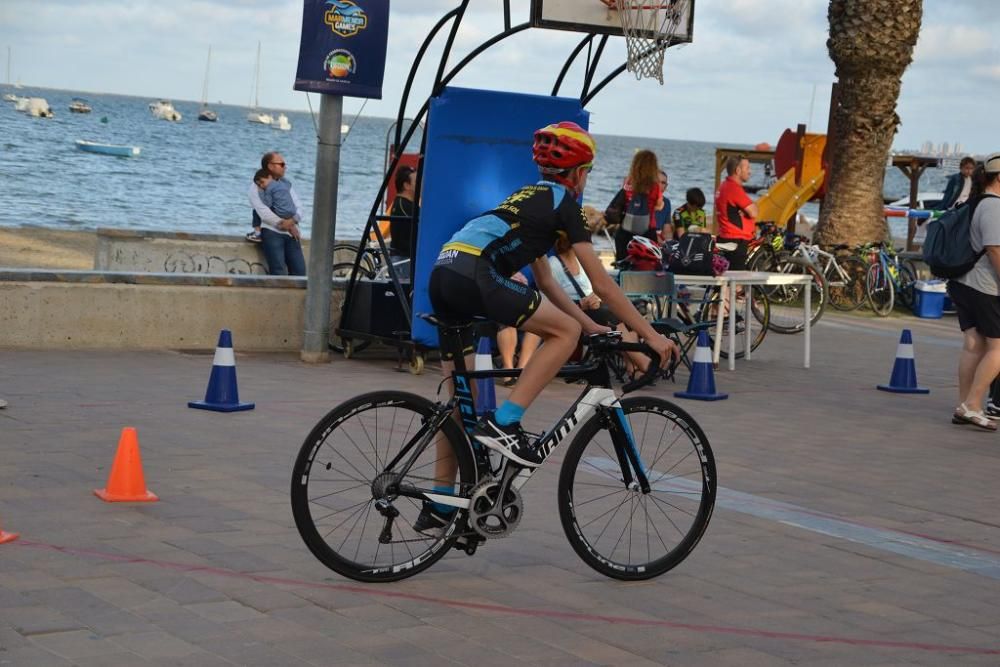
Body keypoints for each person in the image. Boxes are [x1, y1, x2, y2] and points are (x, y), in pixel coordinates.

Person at [416, 121, 678, 533]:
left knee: (456, 405)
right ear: (578, 173)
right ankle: (505, 422)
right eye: (588, 172)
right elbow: (604, 284)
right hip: (476, 273)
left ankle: (442, 505)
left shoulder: (528, 198)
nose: (586, 180)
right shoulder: (565, 205)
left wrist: (591, 325)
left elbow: (547, 281)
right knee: (564, 333)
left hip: (445, 271)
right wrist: (651, 335)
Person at [947, 153, 1000, 430]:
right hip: (985, 285)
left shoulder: (976, 201)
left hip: (963, 281)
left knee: (974, 344)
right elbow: (994, 249)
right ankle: (973, 403)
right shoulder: (994, 207)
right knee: (997, 348)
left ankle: (964, 405)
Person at [248, 152, 306, 276]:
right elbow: (264, 212)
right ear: (270, 166)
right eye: (281, 164)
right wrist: (289, 225)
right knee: (278, 272)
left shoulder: (285, 184)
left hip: (292, 235)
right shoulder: (257, 185)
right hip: (272, 233)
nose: (285, 167)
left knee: (300, 272)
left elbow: (299, 207)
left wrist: (294, 220)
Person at [606, 150, 665, 261]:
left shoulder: (628, 181)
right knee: (647, 265)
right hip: (647, 231)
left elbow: (623, 201)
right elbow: (659, 205)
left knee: (623, 264)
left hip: (625, 230)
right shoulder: (654, 186)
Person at [496, 272, 541, 387]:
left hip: (525, 298)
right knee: (508, 317)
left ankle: (522, 369)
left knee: (538, 323)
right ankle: (508, 370)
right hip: (498, 295)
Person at [715, 156, 758, 270]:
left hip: (726, 236)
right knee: (737, 282)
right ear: (738, 171)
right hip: (736, 240)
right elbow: (753, 211)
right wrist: (748, 210)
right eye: (747, 168)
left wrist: (743, 210)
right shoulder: (733, 189)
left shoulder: (724, 186)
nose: (750, 171)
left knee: (727, 280)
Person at [389, 166, 418, 260]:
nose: (421, 184)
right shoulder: (403, 205)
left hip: (406, 256)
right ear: (406, 185)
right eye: (417, 181)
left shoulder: (407, 204)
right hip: (403, 258)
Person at [655, 170, 673, 244]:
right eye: (657, 182)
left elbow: (667, 229)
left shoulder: (666, 202)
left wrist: (670, 244)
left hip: (658, 240)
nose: (659, 185)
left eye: (663, 183)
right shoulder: (644, 200)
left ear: (666, 186)